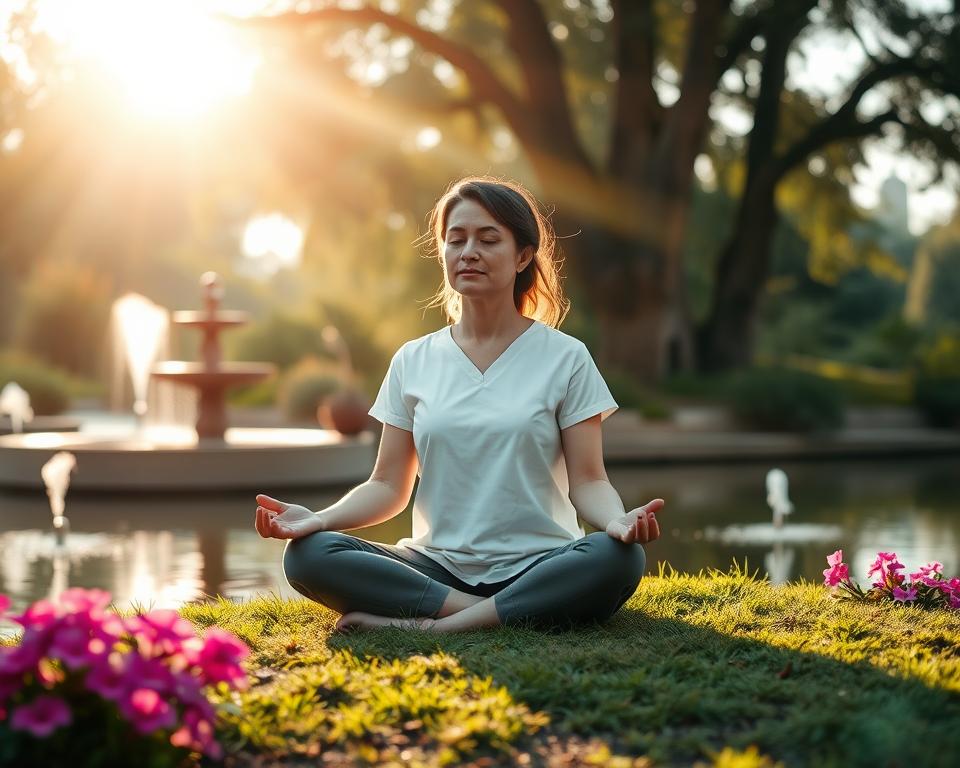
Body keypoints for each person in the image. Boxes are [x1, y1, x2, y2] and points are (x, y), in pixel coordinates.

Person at [254, 176, 664, 633]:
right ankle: (491, 611)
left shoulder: (566, 357)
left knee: (618, 558)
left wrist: (617, 521)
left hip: (542, 562)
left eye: (489, 240)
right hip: (435, 567)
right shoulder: (413, 359)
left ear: (523, 256)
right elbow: (389, 485)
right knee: (310, 554)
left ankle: (439, 626)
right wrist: (319, 519)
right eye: (456, 240)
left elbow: (589, 480)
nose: (468, 251)